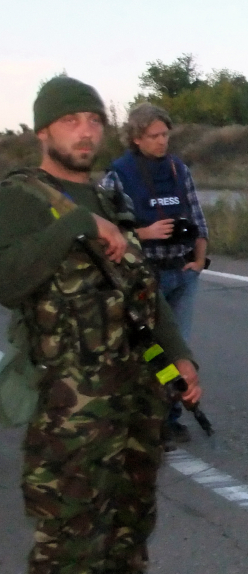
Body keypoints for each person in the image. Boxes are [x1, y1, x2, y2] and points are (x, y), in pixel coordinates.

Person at [0, 76, 202, 573]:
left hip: (134, 406)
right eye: (71, 121)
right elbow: (6, 283)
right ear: (44, 131)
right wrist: (76, 226)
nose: (85, 132)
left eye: (94, 120)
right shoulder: (21, 198)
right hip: (70, 419)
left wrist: (180, 355)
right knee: (69, 549)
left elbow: (142, 294)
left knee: (128, 540)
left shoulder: (108, 200)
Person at [100, 103, 208, 447]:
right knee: (150, 352)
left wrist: (199, 260)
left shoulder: (179, 170)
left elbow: (197, 216)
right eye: (154, 136)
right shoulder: (117, 175)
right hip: (144, 276)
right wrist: (145, 233)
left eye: (165, 134)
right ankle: (146, 419)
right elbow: (105, 229)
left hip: (181, 270)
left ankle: (170, 419)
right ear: (136, 137)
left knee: (179, 351)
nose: (162, 141)